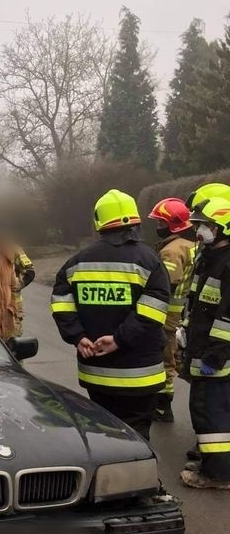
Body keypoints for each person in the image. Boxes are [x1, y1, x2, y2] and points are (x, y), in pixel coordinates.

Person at [51, 189, 170, 440]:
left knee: (103, 436)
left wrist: (78, 337)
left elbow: (61, 304)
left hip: (95, 371)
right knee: (136, 438)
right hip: (140, 375)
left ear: (99, 223)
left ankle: (106, 478)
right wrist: (118, 340)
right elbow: (152, 313)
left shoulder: (76, 263)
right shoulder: (150, 262)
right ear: (135, 222)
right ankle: (137, 478)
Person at [179, 197, 230, 490]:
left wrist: (215, 355)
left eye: (205, 226)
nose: (199, 231)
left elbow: (227, 318)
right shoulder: (210, 258)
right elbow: (199, 305)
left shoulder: (227, 263)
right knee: (211, 412)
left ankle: (217, 475)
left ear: (223, 227)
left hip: (216, 357)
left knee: (212, 418)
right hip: (204, 350)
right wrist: (185, 329)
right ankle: (214, 465)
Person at [147, 198, 196, 423]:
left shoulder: (172, 251)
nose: (158, 227)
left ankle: (162, 407)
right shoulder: (193, 245)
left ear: (172, 224)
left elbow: (166, 284)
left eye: (160, 222)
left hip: (168, 314)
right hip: (186, 312)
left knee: (165, 358)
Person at [12, 247, 35, 336]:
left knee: (12, 340)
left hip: (13, 307)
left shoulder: (14, 249)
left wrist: (17, 285)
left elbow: (30, 272)